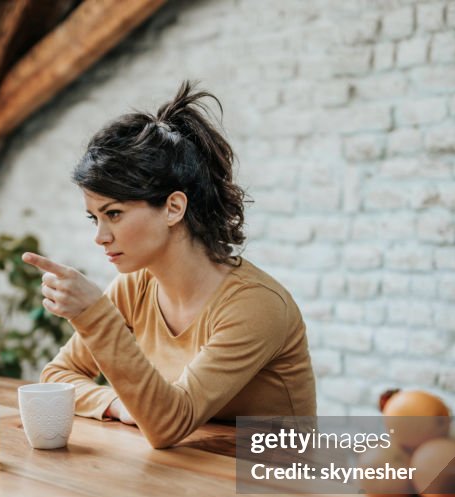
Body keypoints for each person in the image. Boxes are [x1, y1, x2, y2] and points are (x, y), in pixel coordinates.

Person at [23, 82, 316, 448]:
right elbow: (57, 376)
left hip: (273, 485)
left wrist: (94, 314)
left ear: (174, 208)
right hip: (186, 475)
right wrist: (117, 405)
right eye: (93, 218)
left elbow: (167, 424)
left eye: (113, 213)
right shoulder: (136, 287)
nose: (100, 236)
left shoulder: (255, 305)